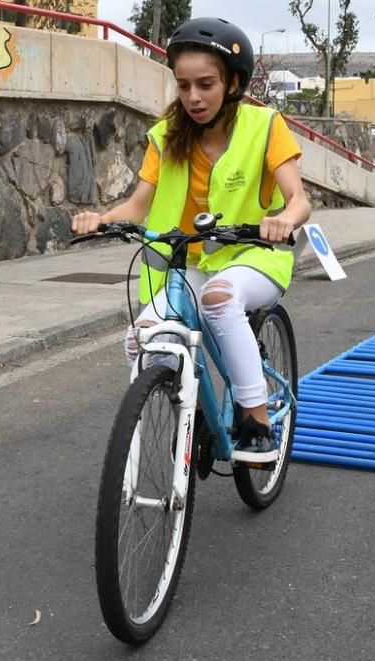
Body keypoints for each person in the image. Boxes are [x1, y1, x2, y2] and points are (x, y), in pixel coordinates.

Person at [71, 17, 312, 467]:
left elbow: (299, 199)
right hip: (189, 263)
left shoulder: (264, 126)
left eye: (205, 84)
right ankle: (194, 410)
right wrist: (100, 220)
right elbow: (138, 205)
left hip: (254, 257)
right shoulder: (166, 136)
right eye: (183, 86)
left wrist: (283, 219)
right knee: (140, 341)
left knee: (220, 300)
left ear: (233, 82)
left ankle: (256, 421)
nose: (193, 97)